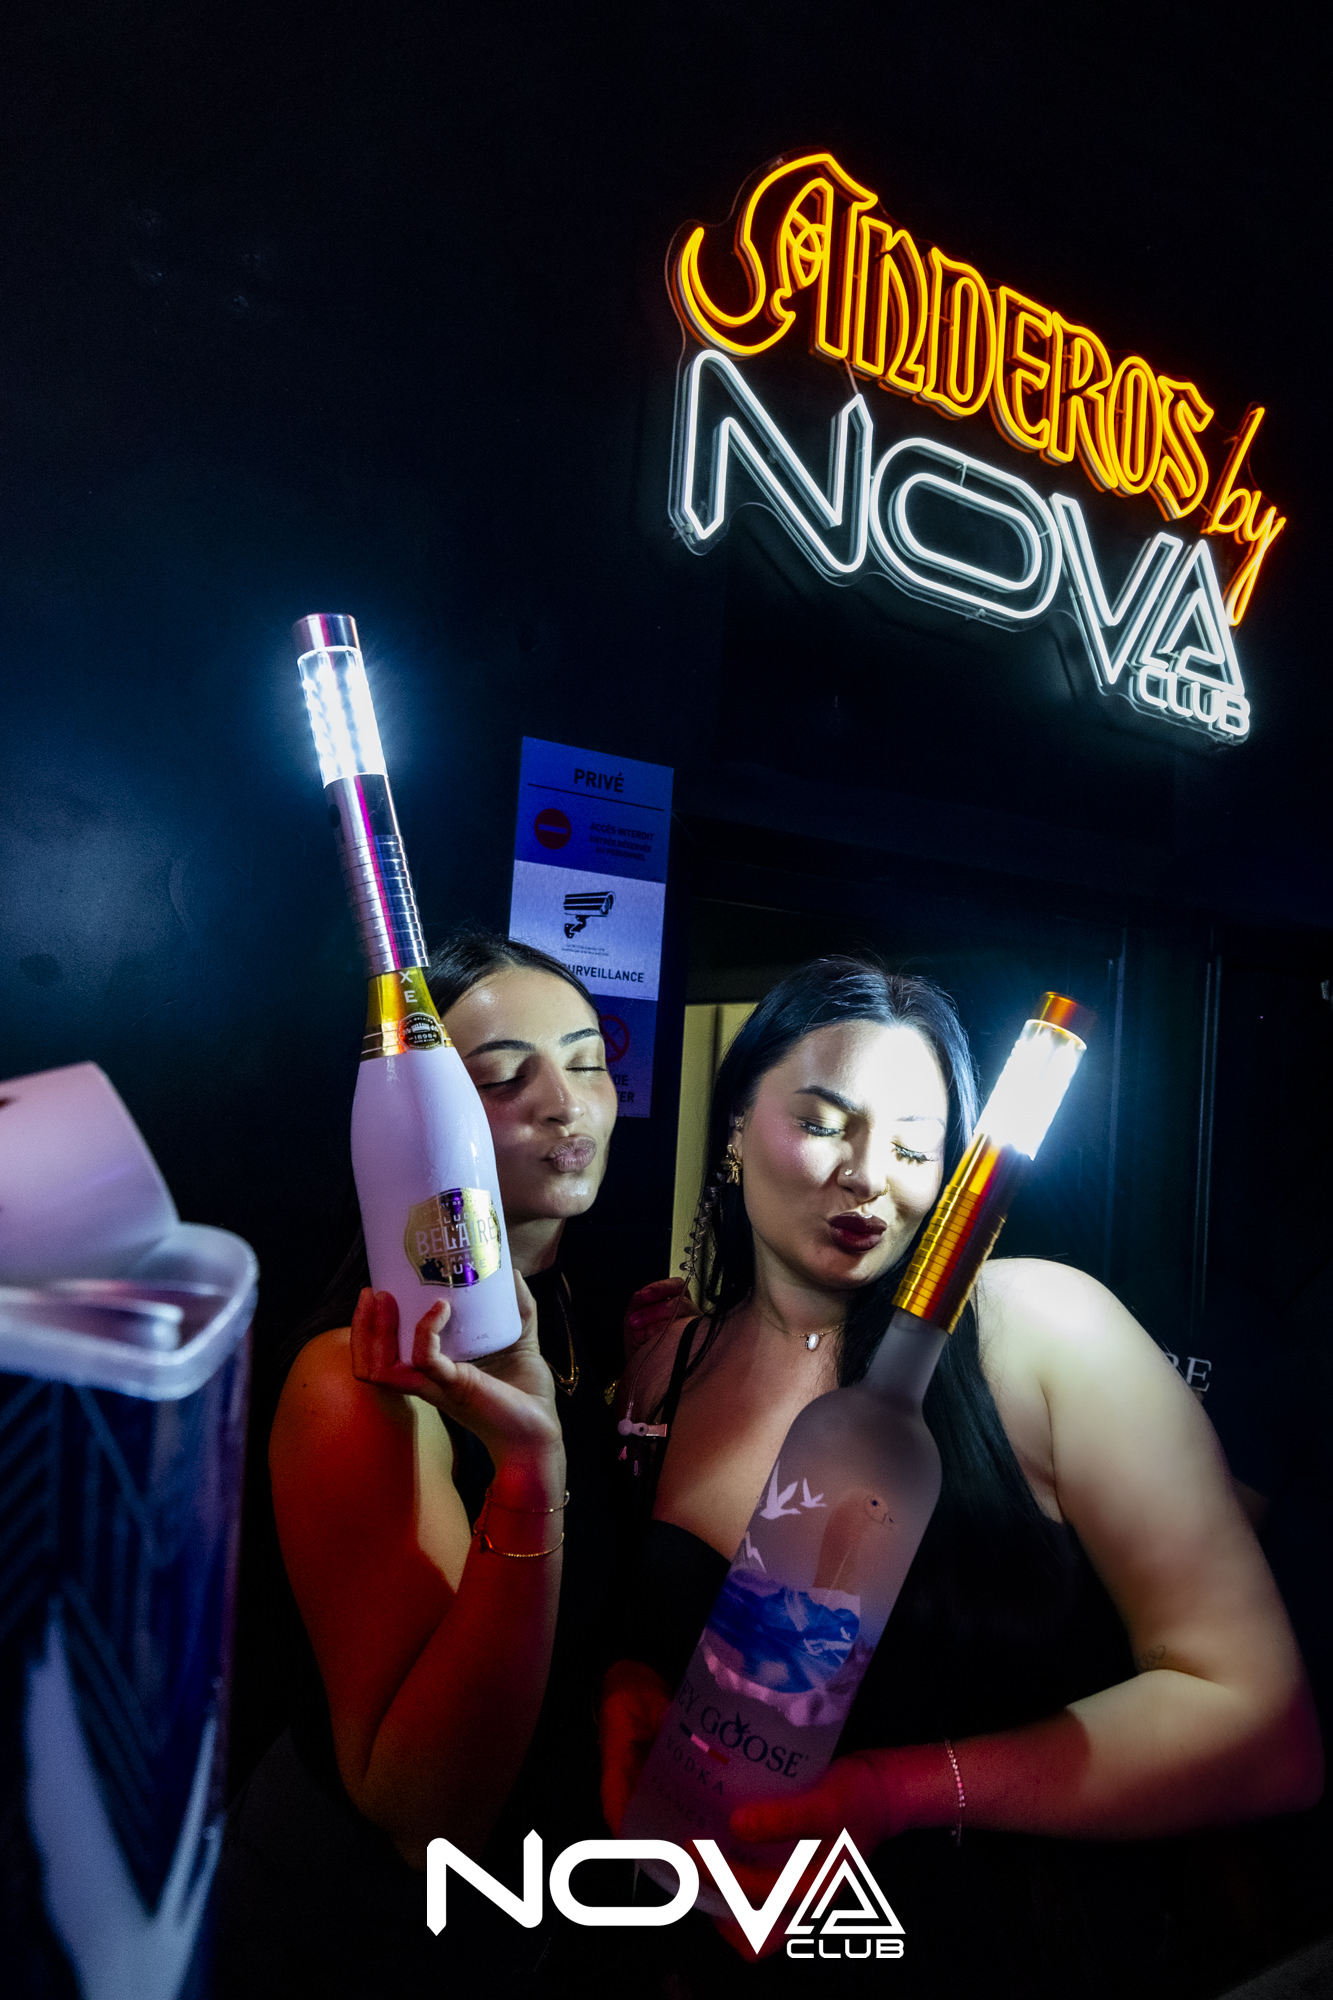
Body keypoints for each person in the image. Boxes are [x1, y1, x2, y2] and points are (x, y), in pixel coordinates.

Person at [601, 958, 1323, 2000]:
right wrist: (629, 1688)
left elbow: (1259, 1727)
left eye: (911, 1145)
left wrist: (896, 1790)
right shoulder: (666, 1365)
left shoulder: (1043, 1332)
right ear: (734, 1125)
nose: (867, 1174)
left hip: (1005, 1950)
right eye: (823, 1122)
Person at [216, 932, 620, 1999]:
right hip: (353, 1938)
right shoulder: (355, 1385)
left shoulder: (584, 1319)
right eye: (502, 1078)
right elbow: (422, 1810)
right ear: (408, 1116)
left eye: (587, 1061)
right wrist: (528, 1474)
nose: (565, 1103)